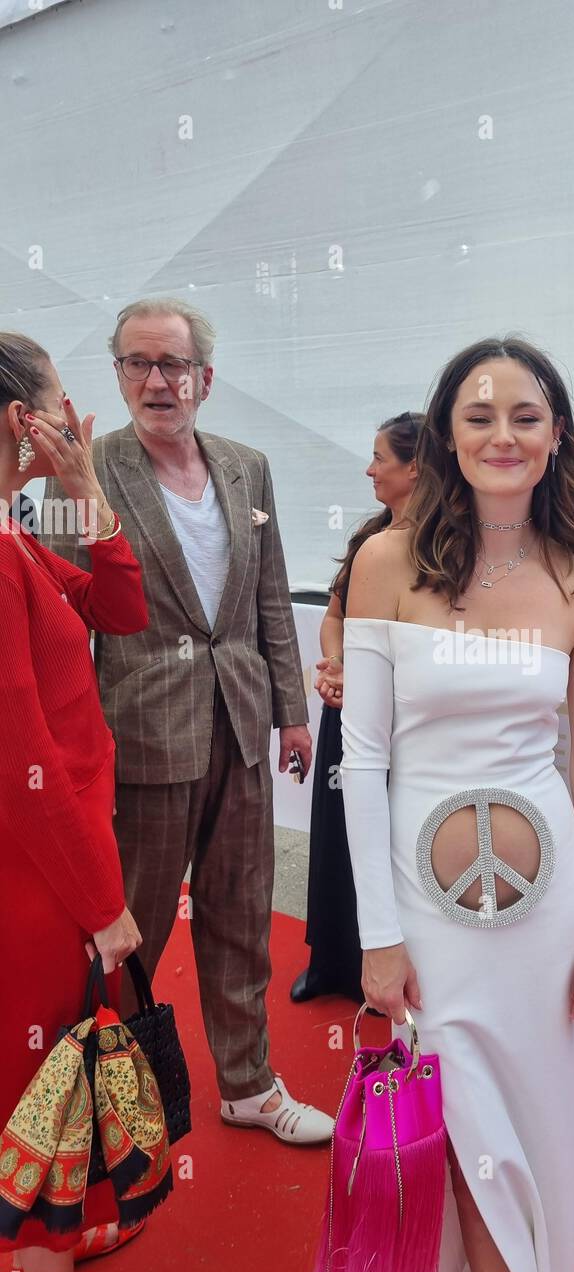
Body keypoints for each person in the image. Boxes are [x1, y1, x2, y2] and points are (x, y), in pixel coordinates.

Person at [330, 335, 574, 1272]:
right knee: (454, 1121)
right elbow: (362, 761)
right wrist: (376, 937)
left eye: (525, 416)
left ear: (556, 435)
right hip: (425, 915)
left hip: (545, 924)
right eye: (479, 416)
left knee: (535, 1127)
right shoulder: (385, 564)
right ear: (447, 437)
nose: (503, 435)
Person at [43, 298, 332, 1147]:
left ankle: (248, 1084)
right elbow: (66, 611)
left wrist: (291, 710)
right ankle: (112, 1113)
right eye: (137, 363)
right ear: (119, 374)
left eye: (171, 364)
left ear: (204, 377)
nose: (156, 380)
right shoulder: (87, 468)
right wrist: (71, 746)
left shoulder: (248, 467)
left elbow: (270, 596)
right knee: (132, 928)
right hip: (139, 733)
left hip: (241, 724)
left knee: (242, 914)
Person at [0, 333, 149, 1272]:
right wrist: (104, 904)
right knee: (37, 1093)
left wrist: (85, 489)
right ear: (23, 420)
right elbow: (28, 762)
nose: (73, 419)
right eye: (60, 404)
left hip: (51, 863)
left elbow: (123, 609)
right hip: (40, 881)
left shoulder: (16, 538)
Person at [291, 412, 422, 1005]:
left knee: (390, 841)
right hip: (348, 715)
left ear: (416, 467)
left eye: (380, 458)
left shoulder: (446, 547)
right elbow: (335, 617)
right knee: (336, 835)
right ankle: (329, 963)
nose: (369, 468)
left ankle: (389, 968)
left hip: (404, 723)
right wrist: (339, 667)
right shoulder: (368, 538)